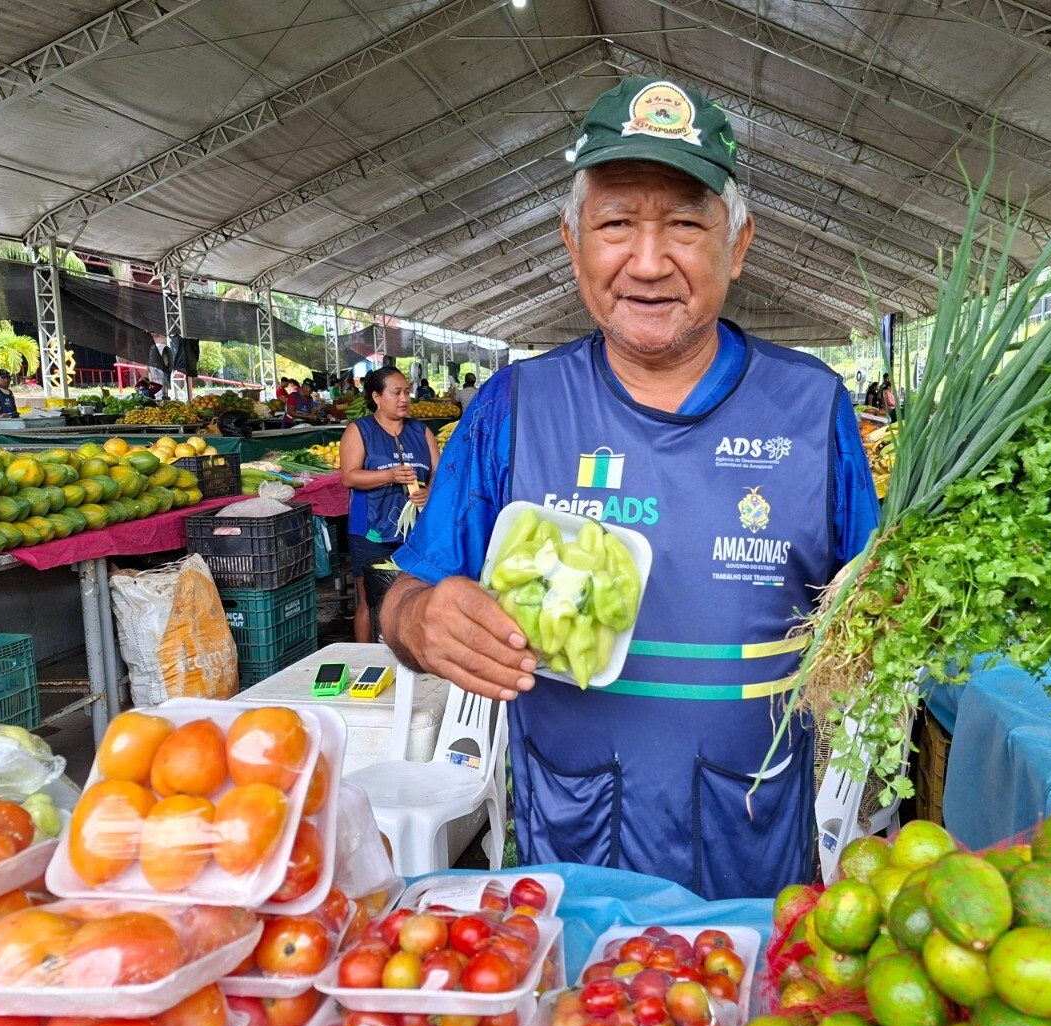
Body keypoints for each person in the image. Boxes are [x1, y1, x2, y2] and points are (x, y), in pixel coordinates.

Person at [380, 76, 879, 901]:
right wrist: (419, 621)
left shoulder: (811, 406)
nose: (648, 263)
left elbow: (883, 606)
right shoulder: (515, 407)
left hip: (752, 862)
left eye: (685, 223)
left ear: (739, 243)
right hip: (571, 861)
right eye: (615, 224)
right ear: (574, 244)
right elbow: (410, 600)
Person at [341, 366, 438, 643]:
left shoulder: (421, 432)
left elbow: (439, 473)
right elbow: (349, 476)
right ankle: (365, 660)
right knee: (369, 600)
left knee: (414, 594)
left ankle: (413, 655)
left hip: (415, 532)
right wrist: (389, 475)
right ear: (377, 396)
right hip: (370, 530)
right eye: (396, 392)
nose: (404, 398)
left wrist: (428, 492)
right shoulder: (360, 431)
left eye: (407, 391)